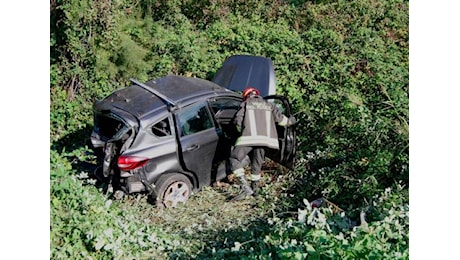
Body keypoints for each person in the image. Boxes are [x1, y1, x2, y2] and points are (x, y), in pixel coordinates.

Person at [229, 87, 296, 201]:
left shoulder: (246, 104)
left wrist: (240, 130)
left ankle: (244, 186)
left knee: (234, 159)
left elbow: (237, 121)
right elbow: (282, 121)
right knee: (257, 164)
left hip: (248, 139)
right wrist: (292, 120)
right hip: (265, 141)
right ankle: (255, 191)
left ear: (246, 96)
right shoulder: (269, 105)